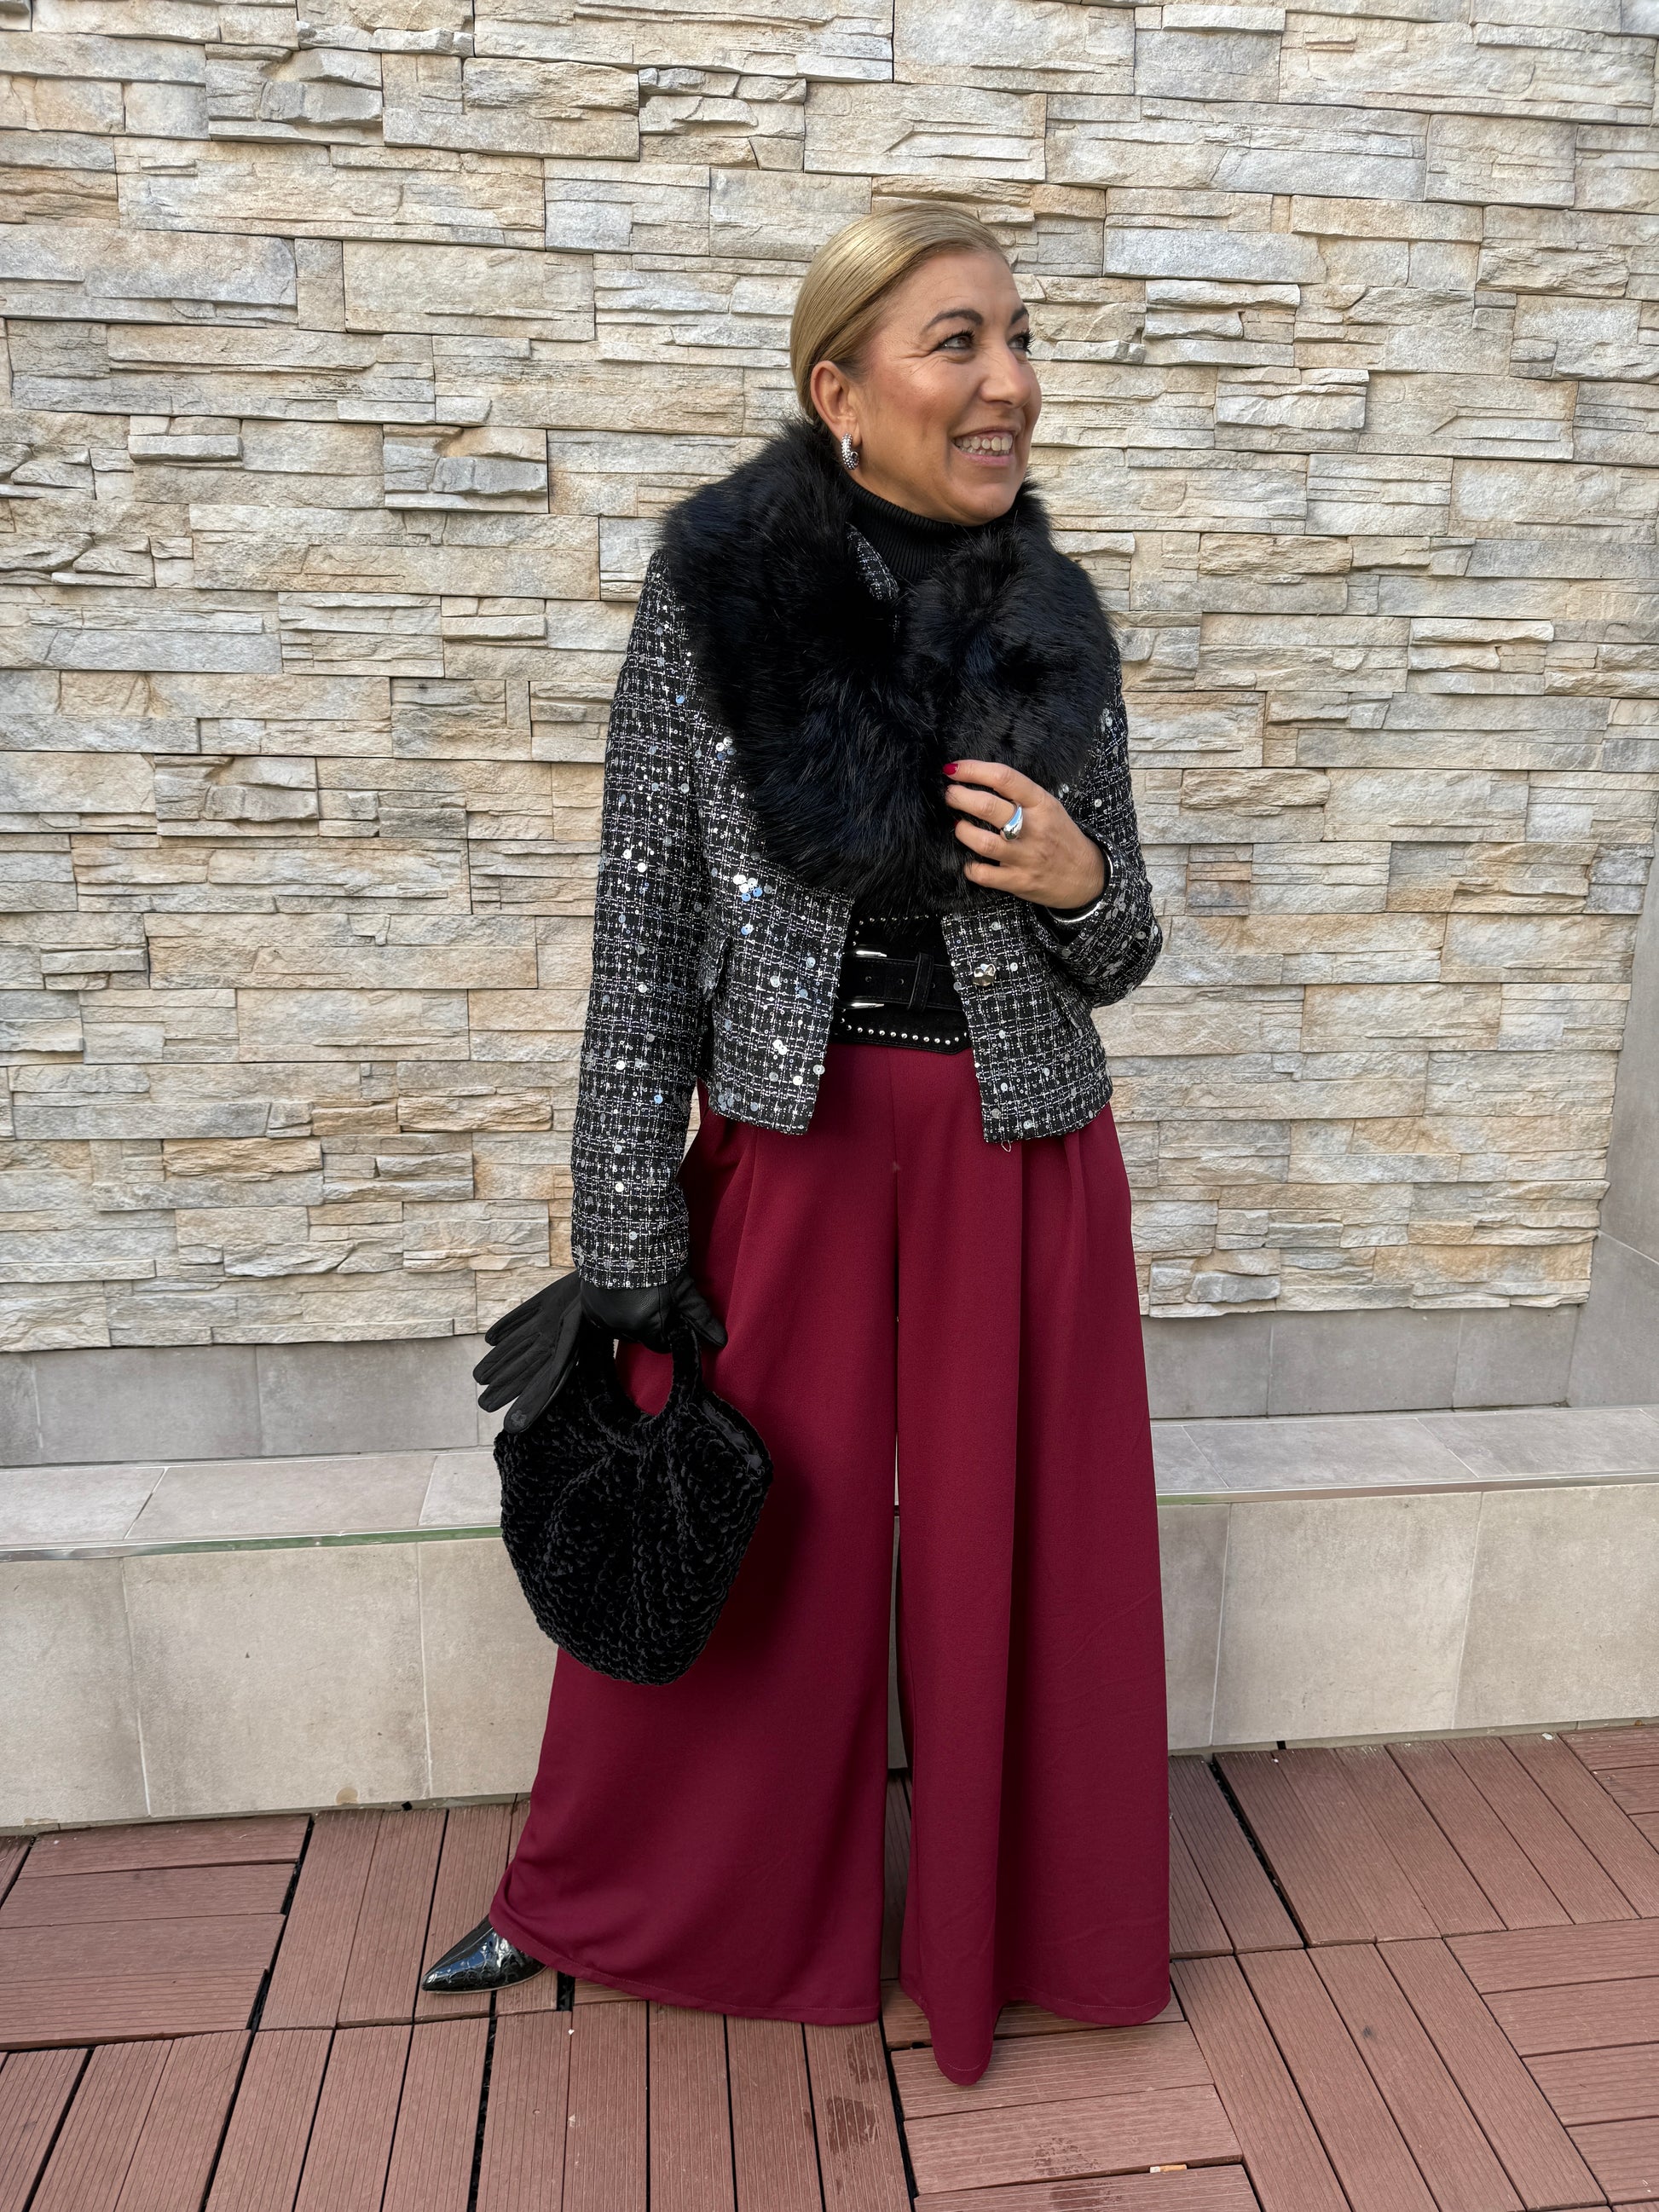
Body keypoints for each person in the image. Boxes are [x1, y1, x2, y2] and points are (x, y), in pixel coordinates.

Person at [421, 203, 1171, 2089]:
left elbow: (1123, 943)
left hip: (1018, 1153)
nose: (1007, 382)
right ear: (840, 387)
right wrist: (621, 1226)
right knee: (741, 1538)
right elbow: (644, 921)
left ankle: (1022, 1930)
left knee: (1030, 1560)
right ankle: (607, 1898)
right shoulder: (718, 597)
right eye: (957, 341)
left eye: (1017, 337)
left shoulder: (1050, 621)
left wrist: (1078, 881)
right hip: (798, 1144)